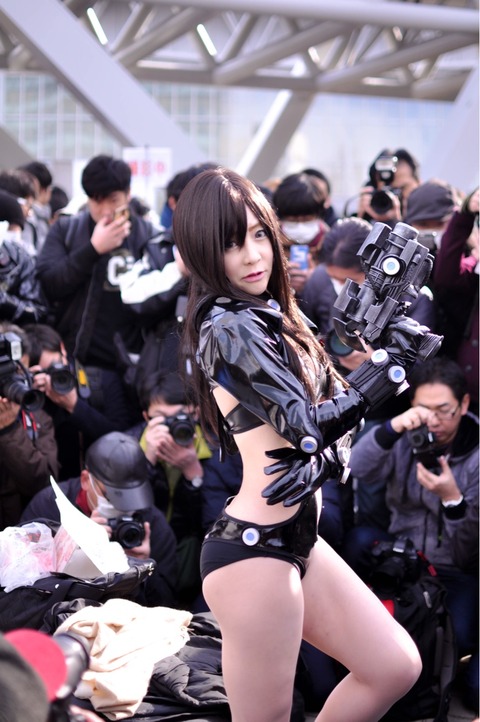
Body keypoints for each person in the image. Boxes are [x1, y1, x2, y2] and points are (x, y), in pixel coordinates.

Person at [172, 167, 428, 722]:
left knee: (393, 665)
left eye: (259, 234)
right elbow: (308, 427)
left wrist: (323, 459)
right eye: (231, 243)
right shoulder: (228, 326)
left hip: (298, 541)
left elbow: (336, 425)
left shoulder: (271, 314)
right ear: (201, 251)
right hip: (255, 553)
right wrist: (383, 371)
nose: (252, 255)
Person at [343, 357, 479, 714]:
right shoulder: (406, 438)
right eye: (423, 410)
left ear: (464, 404)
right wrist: (393, 428)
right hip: (403, 556)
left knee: (457, 637)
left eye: (443, 410)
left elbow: (469, 552)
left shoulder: (476, 453)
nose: (433, 420)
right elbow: (356, 467)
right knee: (358, 540)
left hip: (455, 569)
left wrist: (452, 500)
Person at [35, 154, 160, 426]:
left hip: (131, 367)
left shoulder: (149, 236)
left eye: (113, 200)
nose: (105, 210)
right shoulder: (66, 230)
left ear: (128, 194)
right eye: (96, 201)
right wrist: (93, 250)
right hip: (74, 361)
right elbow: (48, 284)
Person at [21, 431, 178, 608]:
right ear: (86, 480)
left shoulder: (152, 524)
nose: (122, 507)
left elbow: (167, 605)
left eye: (131, 499)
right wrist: (73, 547)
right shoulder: (50, 506)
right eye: (112, 496)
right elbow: (22, 586)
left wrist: (143, 569)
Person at [0, 323, 58, 530]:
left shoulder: (38, 417)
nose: (9, 382)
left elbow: (45, 485)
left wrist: (9, 431)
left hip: (20, 532)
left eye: (17, 371)